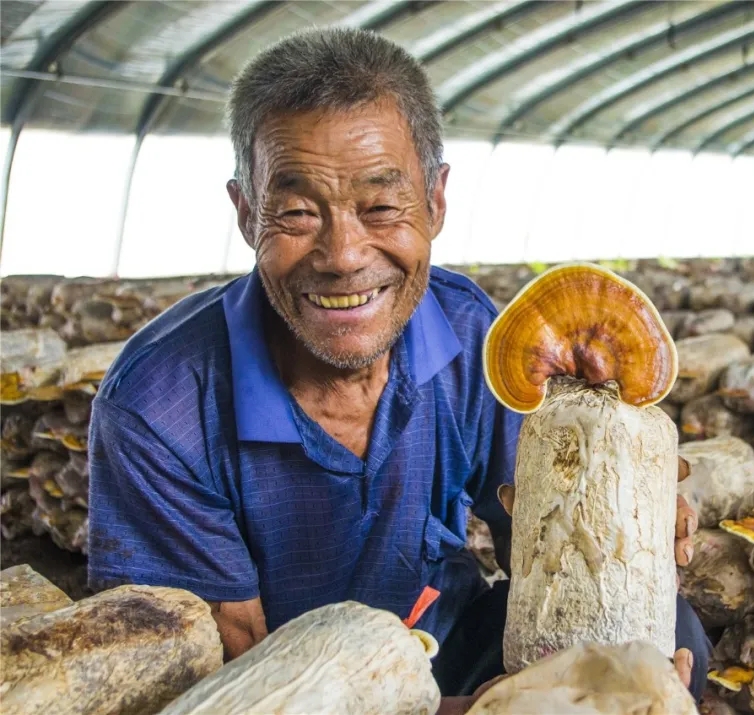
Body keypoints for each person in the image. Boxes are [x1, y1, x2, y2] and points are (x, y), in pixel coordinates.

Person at [86, 27, 709, 711]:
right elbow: (229, 684)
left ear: (435, 201)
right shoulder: (159, 405)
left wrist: (618, 525)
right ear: (245, 212)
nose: (344, 255)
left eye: (381, 206)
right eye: (296, 212)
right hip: (296, 689)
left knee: (659, 649)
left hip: (446, 645)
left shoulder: (469, 332)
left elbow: (540, 535)